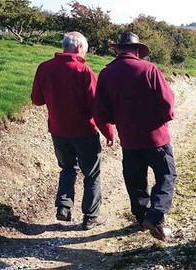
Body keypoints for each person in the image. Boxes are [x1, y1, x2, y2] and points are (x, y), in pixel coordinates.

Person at [94, 32, 176, 241]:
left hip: (129, 139)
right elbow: (167, 102)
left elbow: (102, 112)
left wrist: (117, 120)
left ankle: (141, 218)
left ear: (118, 50)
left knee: (135, 179)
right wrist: (164, 119)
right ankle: (156, 214)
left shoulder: (106, 73)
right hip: (156, 137)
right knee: (166, 175)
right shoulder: (149, 69)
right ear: (138, 50)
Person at [31, 32, 114, 230]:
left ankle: (63, 206)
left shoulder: (44, 68)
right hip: (84, 132)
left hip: (58, 131)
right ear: (78, 48)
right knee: (91, 174)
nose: (85, 53)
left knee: (67, 168)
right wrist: (109, 133)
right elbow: (97, 108)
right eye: (85, 49)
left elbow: (37, 100)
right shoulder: (84, 71)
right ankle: (90, 217)